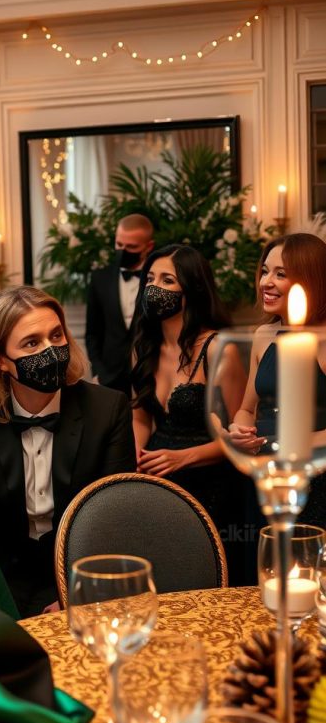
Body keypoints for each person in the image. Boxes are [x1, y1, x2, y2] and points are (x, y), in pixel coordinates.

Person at [0, 285, 136, 617]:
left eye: (56, 336)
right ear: (1, 360)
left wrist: (78, 593)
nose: (51, 350)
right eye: (32, 342)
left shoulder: (107, 408)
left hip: (76, 569)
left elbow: (114, 512)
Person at [130, 243, 247, 581]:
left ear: (192, 289)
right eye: (150, 279)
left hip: (212, 482)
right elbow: (141, 417)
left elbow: (243, 440)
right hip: (159, 479)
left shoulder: (218, 349)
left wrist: (183, 458)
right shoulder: (143, 348)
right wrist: (135, 454)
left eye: (168, 280)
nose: (155, 288)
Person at [229, 233, 326, 540]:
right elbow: (247, 408)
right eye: (265, 271)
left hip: (315, 480)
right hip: (266, 476)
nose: (265, 282)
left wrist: (296, 446)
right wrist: (240, 430)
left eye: (280, 274)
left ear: (311, 279)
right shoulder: (264, 334)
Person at [85, 213, 154, 396]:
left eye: (131, 247)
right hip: (108, 378)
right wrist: (98, 372)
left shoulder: (158, 280)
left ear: (149, 247)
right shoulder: (99, 278)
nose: (123, 251)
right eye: (119, 244)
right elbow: (92, 333)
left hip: (149, 376)